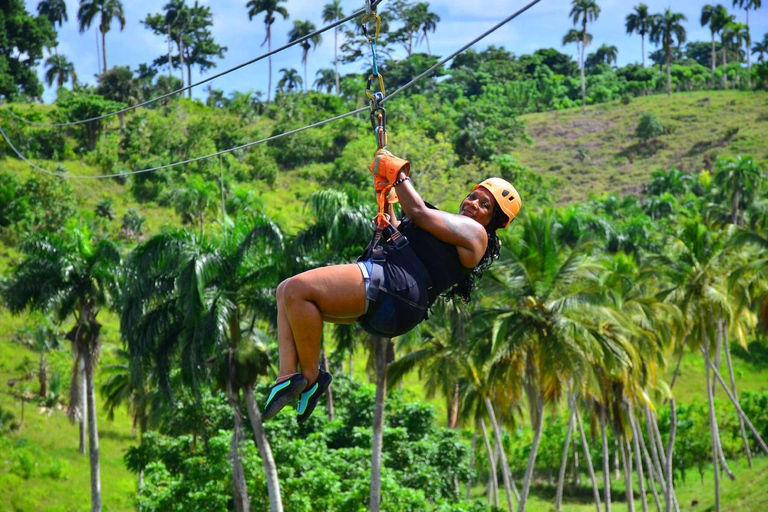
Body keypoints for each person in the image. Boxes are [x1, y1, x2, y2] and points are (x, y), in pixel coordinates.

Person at [262, 150, 522, 422]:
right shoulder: (450, 227)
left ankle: (312, 378)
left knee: (298, 289)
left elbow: (418, 213)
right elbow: (403, 227)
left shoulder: (476, 235)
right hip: (395, 299)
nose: (472, 204)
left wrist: (398, 173)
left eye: (484, 206)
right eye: (473, 196)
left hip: (396, 289)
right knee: (285, 291)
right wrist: (386, 197)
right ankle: (288, 376)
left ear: (493, 222)